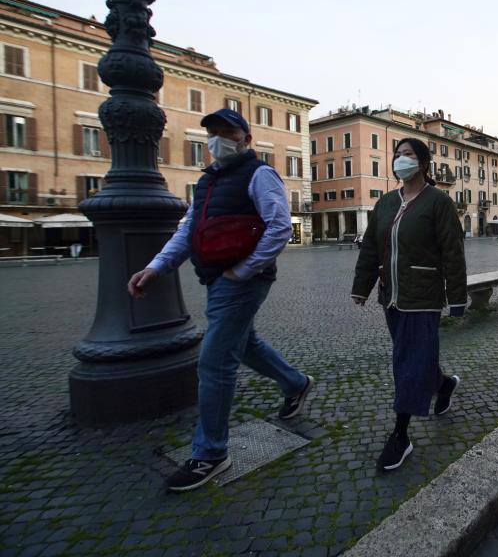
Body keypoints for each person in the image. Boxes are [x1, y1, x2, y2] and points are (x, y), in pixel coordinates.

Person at [127, 109, 314, 492]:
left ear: (246, 137)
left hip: (241, 280)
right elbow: (188, 231)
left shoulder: (260, 174)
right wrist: (156, 267)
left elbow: (279, 227)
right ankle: (295, 383)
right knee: (244, 345)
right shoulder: (208, 181)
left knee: (214, 362)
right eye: (212, 133)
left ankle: (211, 452)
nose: (217, 140)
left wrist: (244, 271)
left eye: (226, 132)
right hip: (217, 277)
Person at [351, 137, 467, 471]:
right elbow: (371, 247)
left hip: (423, 297)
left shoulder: (438, 202)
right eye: (397, 155)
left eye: (408, 155)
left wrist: (457, 298)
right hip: (391, 298)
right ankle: (444, 385)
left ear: (423, 163)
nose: (401, 160)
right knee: (415, 357)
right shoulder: (385, 203)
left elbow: (452, 253)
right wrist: (362, 286)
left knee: (407, 362)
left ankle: (400, 435)